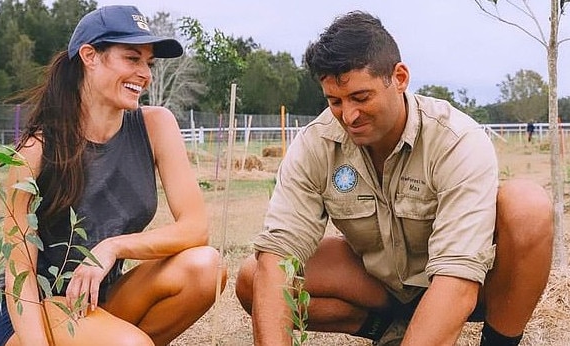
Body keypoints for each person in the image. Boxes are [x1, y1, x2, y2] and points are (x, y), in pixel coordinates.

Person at [235, 10, 553, 346]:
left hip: (463, 283)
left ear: (399, 77)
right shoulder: (316, 143)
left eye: (361, 97)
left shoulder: (456, 139)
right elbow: (279, 257)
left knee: (527, 207)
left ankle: (498, 342)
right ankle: (388, 332)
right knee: (255, 277)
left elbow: (457, 280)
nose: (349, 115)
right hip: (380, 286)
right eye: (335, 101)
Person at [0, 5, 226, 346]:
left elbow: (195, 228)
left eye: (149, 63)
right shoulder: (36, 150)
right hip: (33, 312)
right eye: (132, 58)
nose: (145, 74)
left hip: (96, 298)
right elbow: (18, 273)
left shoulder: (156, 125)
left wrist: (111, 248)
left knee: (207, 267)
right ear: (90, 56)